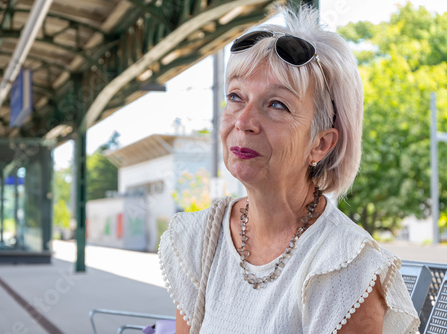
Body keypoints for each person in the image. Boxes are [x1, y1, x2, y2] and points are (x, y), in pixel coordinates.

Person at [158, 6, 419, 334]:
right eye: (236, 96)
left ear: (320, 144)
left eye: (277, 104)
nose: (243, 121)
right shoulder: (199, 238)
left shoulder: (343, 267)